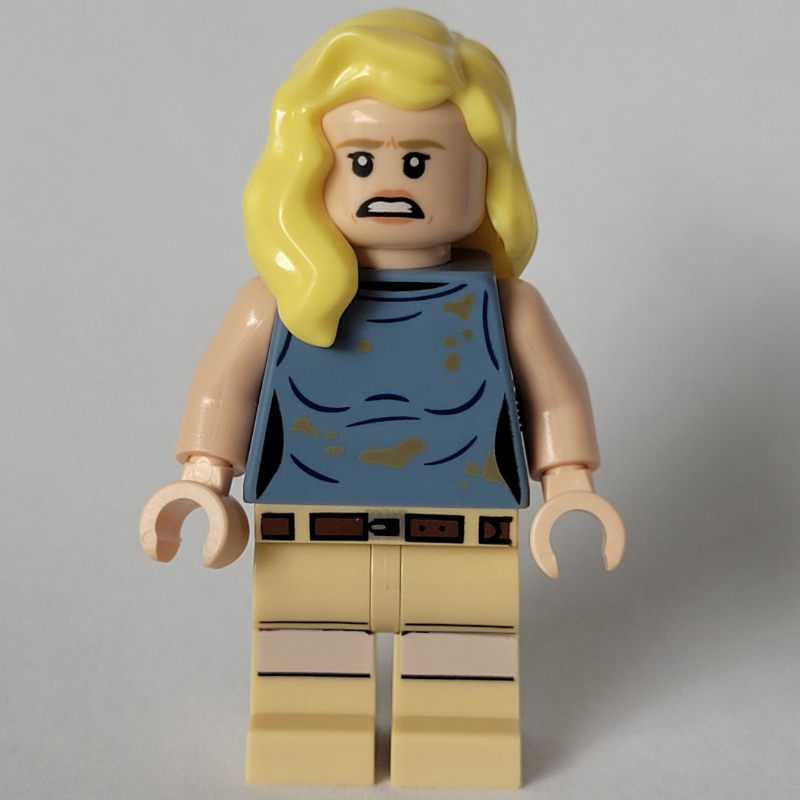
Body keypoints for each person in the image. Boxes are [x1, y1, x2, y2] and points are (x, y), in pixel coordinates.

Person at [139, 9, 624, 788]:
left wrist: (570, 486)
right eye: (362, 160)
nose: (392, 184)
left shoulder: (508, 307)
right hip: (308, 522)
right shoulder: (274, 305)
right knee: (307, 671)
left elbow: (556, 400)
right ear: (311, 168)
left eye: (421, 161)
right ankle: (310, 736)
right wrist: (202, 479)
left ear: (485, 174)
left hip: (465, 525)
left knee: (461, 674)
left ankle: (456, 738)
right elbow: (223, 391)